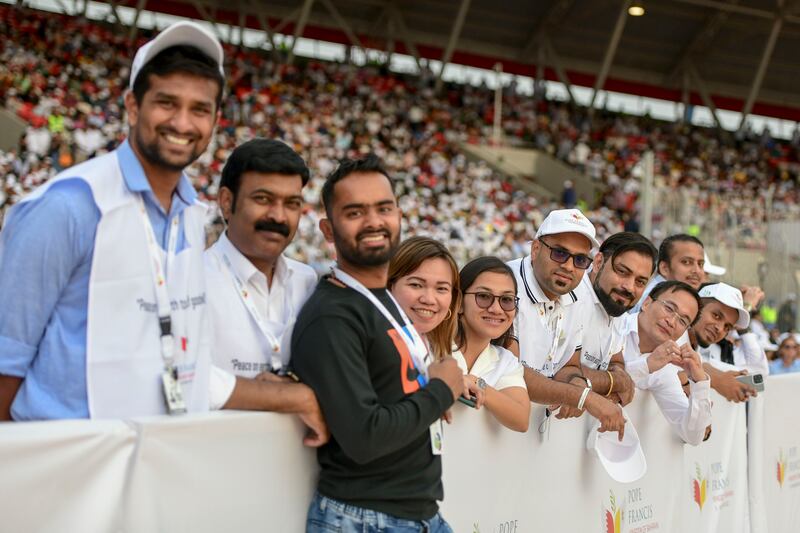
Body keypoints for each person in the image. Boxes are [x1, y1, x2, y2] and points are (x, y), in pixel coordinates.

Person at [0, 22, 328, 447]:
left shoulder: (188, 218)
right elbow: (7, 358)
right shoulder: (69, 207)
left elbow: (180, 366)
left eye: (199, 109)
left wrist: (287, 396)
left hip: (146, 464)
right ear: (133, 107)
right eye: (166, 103)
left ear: (214, 121)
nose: (182, 122)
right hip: (62, 462)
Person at [291, 155, 465, 532]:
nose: (373, 221)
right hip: (365, 517)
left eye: (383, 208)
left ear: (399, 216)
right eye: (354, 212)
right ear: (328, 229)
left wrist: (431, 390)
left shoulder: (379, 298)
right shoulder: (332, 315)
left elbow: (395, 389)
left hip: (415, 513)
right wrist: (439, 391)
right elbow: (364, 436)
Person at [507, 209, 625, 437]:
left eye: (580, 259)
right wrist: (580, 396)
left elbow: (569, 365)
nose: (569, 266)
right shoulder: (505, 284)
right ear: (535, 249)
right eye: (560, 253)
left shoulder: (577, 295)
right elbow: (509, 371)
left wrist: (577, 383)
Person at [205, 138, 317, 377]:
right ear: (226, 202)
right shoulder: (193, 280)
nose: (278, 216)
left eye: (292, 203)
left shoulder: (307, 282)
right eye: (263, 199)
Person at [569, 232, 657, 408]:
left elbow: (616, 361)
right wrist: (616, 382)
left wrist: (617, 376)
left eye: (640, 282)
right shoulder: (570, 298)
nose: (629, 287)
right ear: (598, 262)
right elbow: (559, 370)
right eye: (622, 272)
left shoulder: (617, 304)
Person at [621, 281, 711, 445]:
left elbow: (692, 436)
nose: (671, 321)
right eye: (669, 308)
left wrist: (700, 383)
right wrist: (647, 365)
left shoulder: (666, 366)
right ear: (647, 303)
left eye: (683, 321)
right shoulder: (614, 325)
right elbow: (594, 379)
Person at [452, 257, 531, 432]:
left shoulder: (506, 361)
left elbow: (521, 419)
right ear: (458, 302)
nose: (496, 309)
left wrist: (477, 384)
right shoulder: (432, 346)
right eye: (484, 296)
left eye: (506, 300)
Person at [688, 283, 769, 402]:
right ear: (696, 306)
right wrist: (716, 379)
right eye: (716, 316)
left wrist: (743, 326)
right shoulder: (667, 335)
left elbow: (758, 373)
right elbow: (678, 362)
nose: (720, 329)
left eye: (727, 327)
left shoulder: (700, 355)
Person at [631, 234, 705, 313]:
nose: (697, 270)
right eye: (686, 262)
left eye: (700, 264)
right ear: (664, 268)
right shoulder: (653, 299)